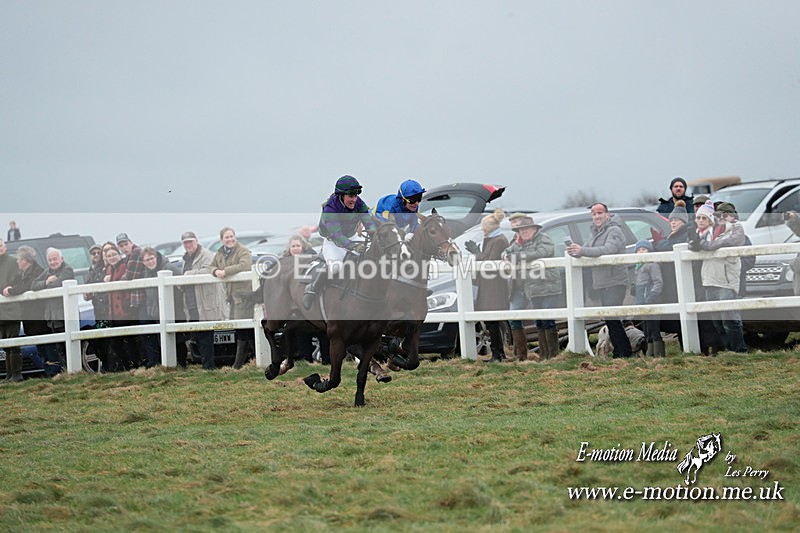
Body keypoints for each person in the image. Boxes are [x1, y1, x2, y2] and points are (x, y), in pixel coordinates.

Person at [567, 203, 632, 358]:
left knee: (613, 318)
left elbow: (608, 249)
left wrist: (583, 251)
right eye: (594, 214)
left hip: (615, 281)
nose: (596, 216)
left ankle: (624, 352)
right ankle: (620, 352)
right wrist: (576, 252)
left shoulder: (614, 230)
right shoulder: (595, 232)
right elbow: (587, 248)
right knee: (610, 320)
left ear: (607, 214)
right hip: (602, 282)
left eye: (600, 213)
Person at [303, 175, 378, 310]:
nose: (354, 199)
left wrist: (372, 230)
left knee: (373, 258)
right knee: (336, 267)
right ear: (341, 195)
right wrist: (353, 246)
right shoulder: (330, 208)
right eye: (351, 196)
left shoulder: (358, 203)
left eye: (355, 195)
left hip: (352, 236)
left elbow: (367, 219)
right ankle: (312, 289)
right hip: (333, 241)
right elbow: (336, 234)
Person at [689, 200, 747, 353]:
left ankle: (739, 351)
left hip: (727, 280)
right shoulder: (711, 230)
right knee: (717, 322)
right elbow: (696, 245)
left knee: (731, 320)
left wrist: (708, 245)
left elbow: (732, 242)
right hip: (709, 279)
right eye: (719, 215)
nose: (721, 217)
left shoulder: (737, 228)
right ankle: (729, 350)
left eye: (725, 214)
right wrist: (696, 243)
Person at [502, 213, 562, 360]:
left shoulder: (544, 239)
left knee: (548, 319)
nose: (524, 232)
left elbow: (543, 252)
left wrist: (518, 257)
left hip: (547, 285)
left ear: (534, 229)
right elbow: (506, 252)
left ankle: (552, 356)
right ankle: (543, 356)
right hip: (533, 288)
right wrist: (505, 256)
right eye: (521, 230)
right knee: (539, 321)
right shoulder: (518, 244)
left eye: (527, 229)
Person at [465, 209, 510, 362]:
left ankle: (498, 354)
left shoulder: (499, 240)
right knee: (491, 322)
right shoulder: (493, 239)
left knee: (493, 321)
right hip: (489, 287)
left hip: (494, 287)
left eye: (484, 229)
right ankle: (497, 353)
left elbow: (490, 263)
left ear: (489, 229)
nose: (482, 231)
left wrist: (477, 253)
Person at [180, 231, 225, 370]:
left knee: (206, 335)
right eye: (185, 243)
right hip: (192, 303)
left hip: (205, 302)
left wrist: (188, 275)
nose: (188, 245)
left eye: (190, 241)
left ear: (196, 241)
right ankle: (204, 364)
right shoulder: (185, 258)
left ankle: (208, 366)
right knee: (198, 335)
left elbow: (209, 270)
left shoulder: (206, 254)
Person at [209, 227, 254, 369]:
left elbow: (245, 265)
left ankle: (238, 364)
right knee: (241, 329)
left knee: (244, 329)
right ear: (222, 240)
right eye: (226, 237)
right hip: (231, 298)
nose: (229, 239)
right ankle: (253, 360)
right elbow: (211, 266)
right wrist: (216, 271)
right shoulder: (220, 253)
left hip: (243, 296)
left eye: (231, 236)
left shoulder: (243, 250)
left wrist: (226, 271)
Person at [31, 248, 75, 376]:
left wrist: (48, 284)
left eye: (55, 259)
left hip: (64, 315)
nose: (52, 262)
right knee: (59, 348)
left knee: (68, 347)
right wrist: (46, 281)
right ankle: (65, 372)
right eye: (50, 260)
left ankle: (73, 372)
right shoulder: (47, 272)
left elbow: (58, 284)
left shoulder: (67, 269)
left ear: (61, 258)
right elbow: (33, 285)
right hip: (52, 317)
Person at [140, 247, 181, 367]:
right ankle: (165, 366)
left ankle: (180, 364)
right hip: (156, 311)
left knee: (177, 340)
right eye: (147, 260)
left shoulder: (169, 267)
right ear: (143, 262)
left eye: (152, 258)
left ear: (156, 257)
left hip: (174, 309)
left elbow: (181, 283)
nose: (150, 262)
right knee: (161, 339)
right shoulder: (146, 273)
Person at [103, 243, 136, 370]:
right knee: (117, 342)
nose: (112, 257)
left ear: (119, 255)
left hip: (124, 310)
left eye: (114, 254)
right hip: (115, 312)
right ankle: (129, 365)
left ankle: (134, 364)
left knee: (129, 340)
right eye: (109, 255)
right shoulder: (109, 269)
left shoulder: (123, 266)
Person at [82, 243, 113, 370]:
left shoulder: (106, 268)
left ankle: (111, 367)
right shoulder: (91, 271)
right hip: (98, 310)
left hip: (107, 309)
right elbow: (87, 289)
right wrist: (86, 294)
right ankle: (105, 366)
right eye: (93, 253)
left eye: (98, 253)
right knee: (101, 341)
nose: (96, 255)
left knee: (110, 341)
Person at [632, 239, 664, 356]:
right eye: (639, 250)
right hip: (642, 301)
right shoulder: (638, 266)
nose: (641, 252)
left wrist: (650, 298)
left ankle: (659, 354)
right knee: (646, 329)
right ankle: (649, 354)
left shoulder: (652, 264)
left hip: (652, 300)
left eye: (644, 249)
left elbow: (658, 283)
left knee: (654, 328)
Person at [0, 239, 23, 383]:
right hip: (0, 312)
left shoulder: (13, 262)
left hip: (12, 309)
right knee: (5, 345)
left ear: (5, 247)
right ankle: (9, 375)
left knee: (14, 344)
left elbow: (18, 282)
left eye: (0, 245)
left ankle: (16, 374)